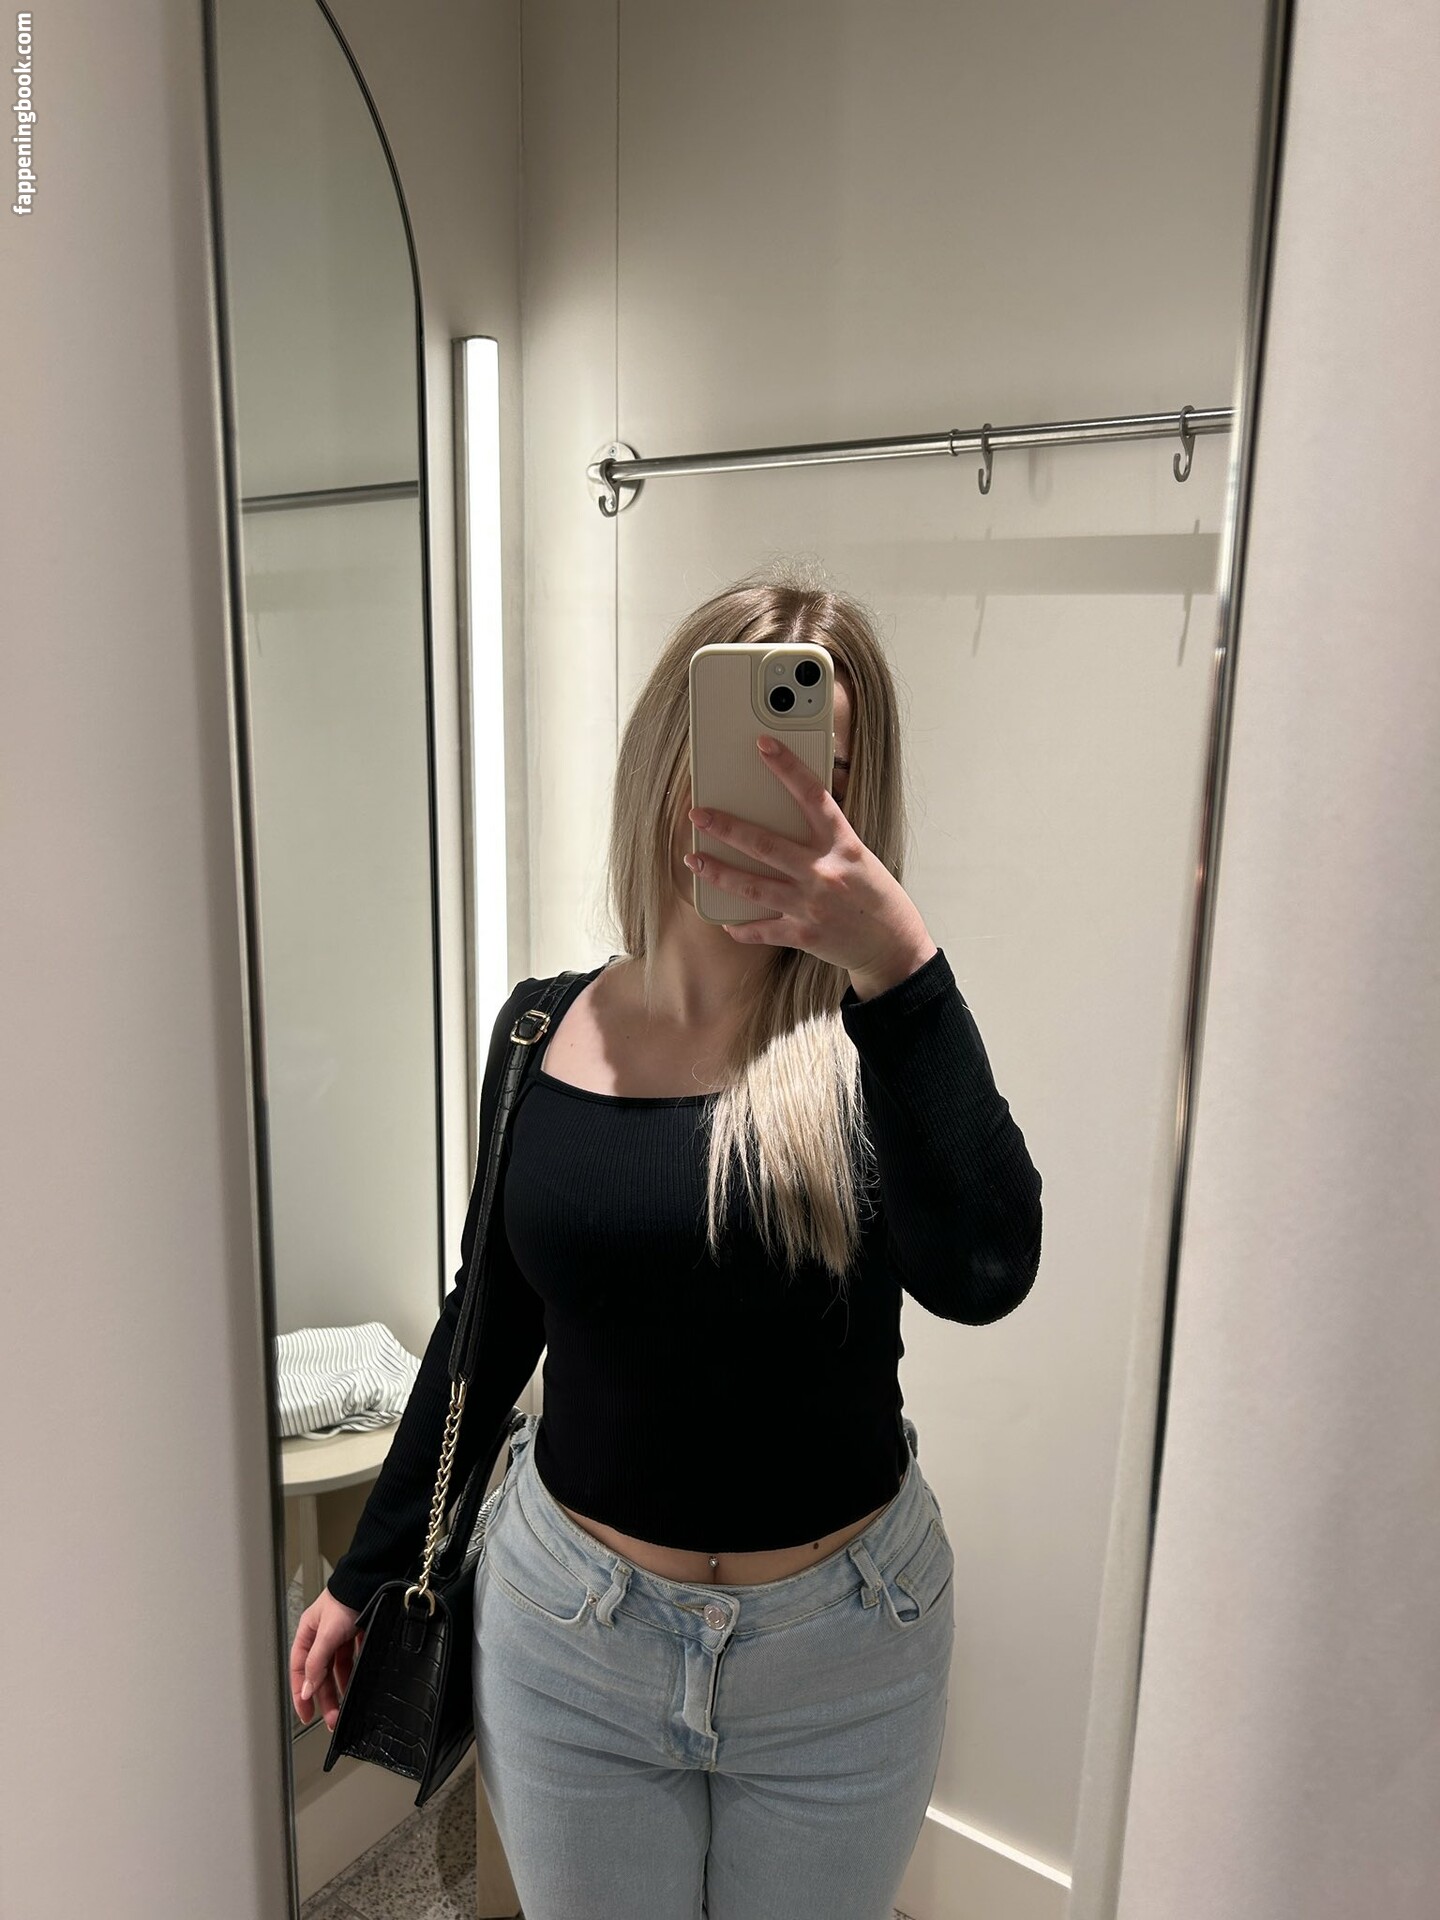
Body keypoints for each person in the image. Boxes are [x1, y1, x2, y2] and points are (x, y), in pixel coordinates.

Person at [289, 570, 1043, 1919]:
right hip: (570, 1638)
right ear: (663, 760)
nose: (777, 804)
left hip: (842, 1654)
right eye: (744, 756)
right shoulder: (537, 1032)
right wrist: (371, 1565)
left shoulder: (875, 1043)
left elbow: (987, 1274)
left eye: (819, 776)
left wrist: (902, 967)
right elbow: (486, 1323)